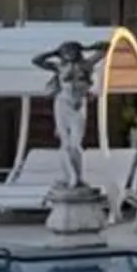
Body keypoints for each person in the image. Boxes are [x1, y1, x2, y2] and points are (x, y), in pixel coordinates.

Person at [34, 41, 95, 187]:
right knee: (65, 144)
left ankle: (78, 176)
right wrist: (54, 52)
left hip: (78, 105)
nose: (69, 54)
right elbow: (36, 60)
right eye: (66, 51)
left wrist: (88, 47)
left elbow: (106, 49)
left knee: (76, 144)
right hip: (62, 104)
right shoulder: (59, 67)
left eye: (72, 50)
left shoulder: (86, 64)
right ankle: (71, 176)